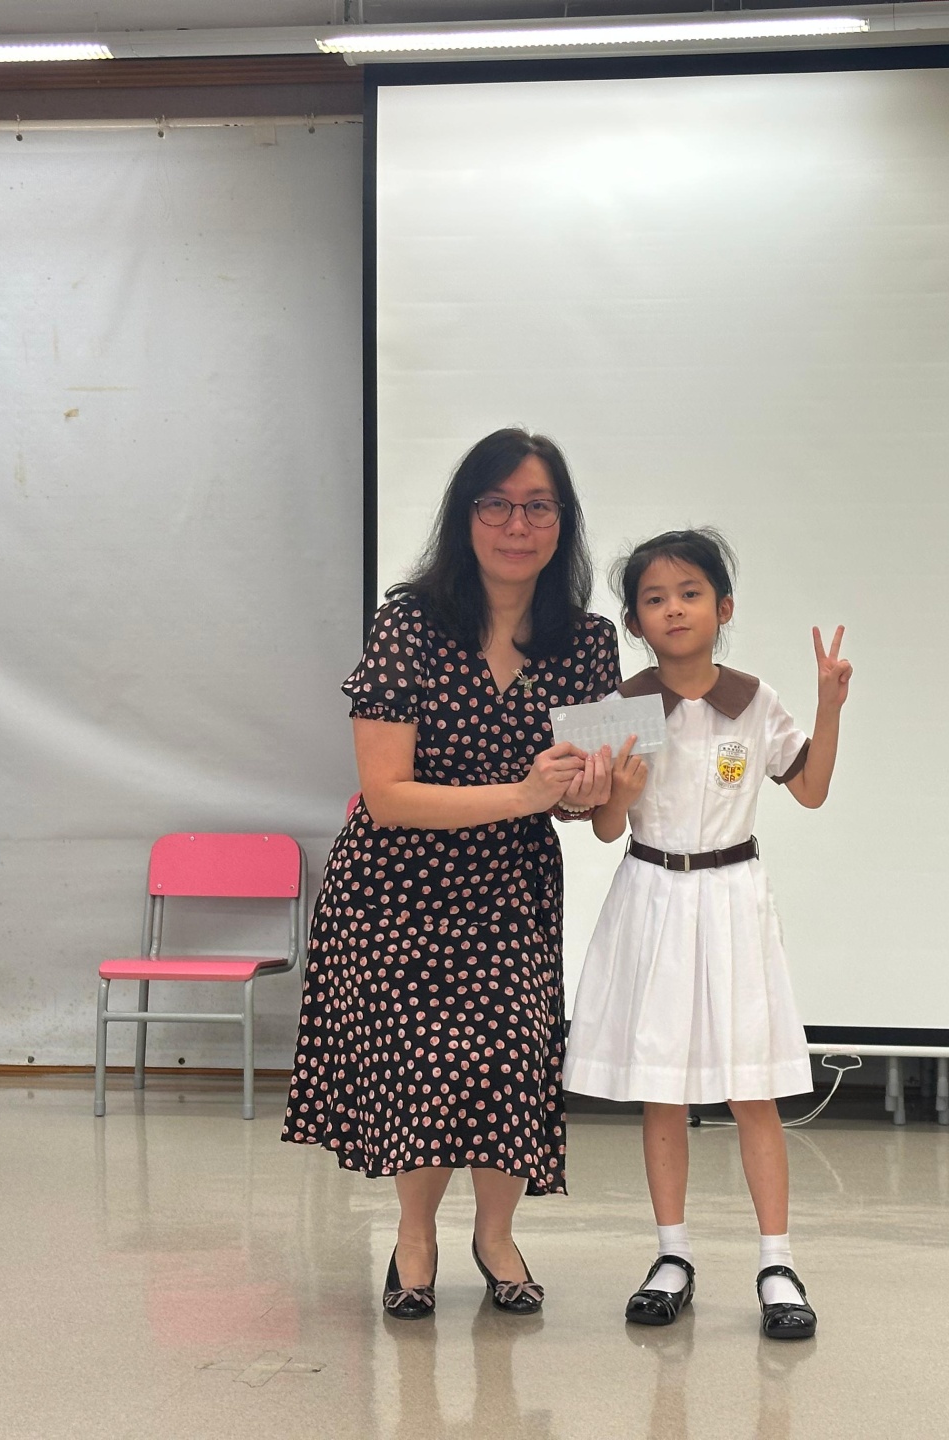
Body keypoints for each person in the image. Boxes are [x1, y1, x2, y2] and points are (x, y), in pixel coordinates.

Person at [282, 428, 622, 1320]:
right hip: (398, 888)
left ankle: (496, 1235)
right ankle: (416, 1239)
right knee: (423, 1065)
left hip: (510, 889)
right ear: (466, 515)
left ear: (562, 522)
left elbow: (586, 804)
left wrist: (590, 793)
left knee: (511, 1058)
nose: (517, 524)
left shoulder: (587, 641)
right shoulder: (410, 624)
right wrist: (524, 795)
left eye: (538, 506)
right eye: (497, 504)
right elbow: (387, 796)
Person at [562, 528, 852, 1341]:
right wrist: (619, 792)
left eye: (690, 593)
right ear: (634, 622)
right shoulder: (621, 709)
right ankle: (672, 1255)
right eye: (654, 599)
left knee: (751, 1087)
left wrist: (828, 709)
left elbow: (811, 790)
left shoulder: (755, 701)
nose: (674, 609)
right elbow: (605, 827)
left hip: (732, 898)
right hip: (652, 895)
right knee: (663, 1088)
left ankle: (777, 1263)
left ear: (723, 607)